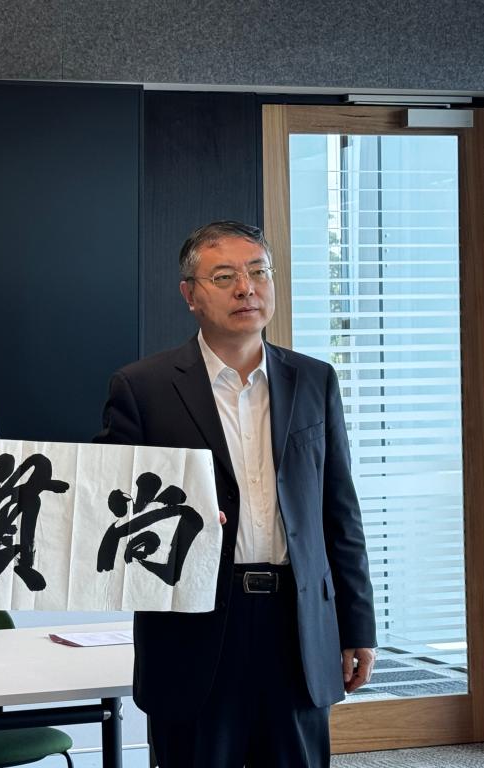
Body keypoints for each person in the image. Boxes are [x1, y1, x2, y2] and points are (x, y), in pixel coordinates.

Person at [96, 221, 376, 767]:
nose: (246, 288)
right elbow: (112, 507)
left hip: (297, 623)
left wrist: (357, 624)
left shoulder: (314, 380)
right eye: (224, 277)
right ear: (190, 295)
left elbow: (339, 511)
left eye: (257, 272)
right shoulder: (143, 387)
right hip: (195, 629)